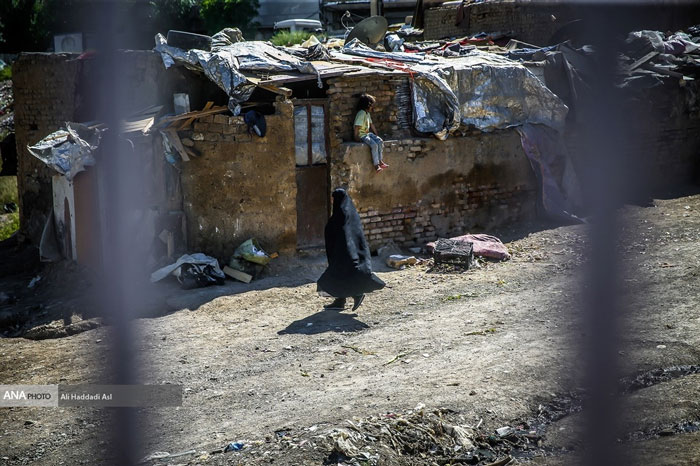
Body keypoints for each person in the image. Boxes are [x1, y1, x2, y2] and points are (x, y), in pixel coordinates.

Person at [317, 188, 385, 311]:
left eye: (333, 198)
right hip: (344, 252)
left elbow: (345, 235)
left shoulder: (342, 215)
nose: (332, 201)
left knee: (337, 275)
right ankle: (340, 301)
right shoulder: (349, 213)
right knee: (340, 275)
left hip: (346, 253)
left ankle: (357, 294)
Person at [354, 93, 389, 172]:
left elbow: (371, 125)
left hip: (367, 134)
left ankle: (380, 161)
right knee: (374, 145)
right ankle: (376, 165)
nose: (372, 107)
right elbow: (357, 126)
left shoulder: (367, 114)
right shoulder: (361, 113)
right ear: (367, 105)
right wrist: (356, 136)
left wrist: (376, 135)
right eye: (371, 105)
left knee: (380, 141)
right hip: (362, 135)